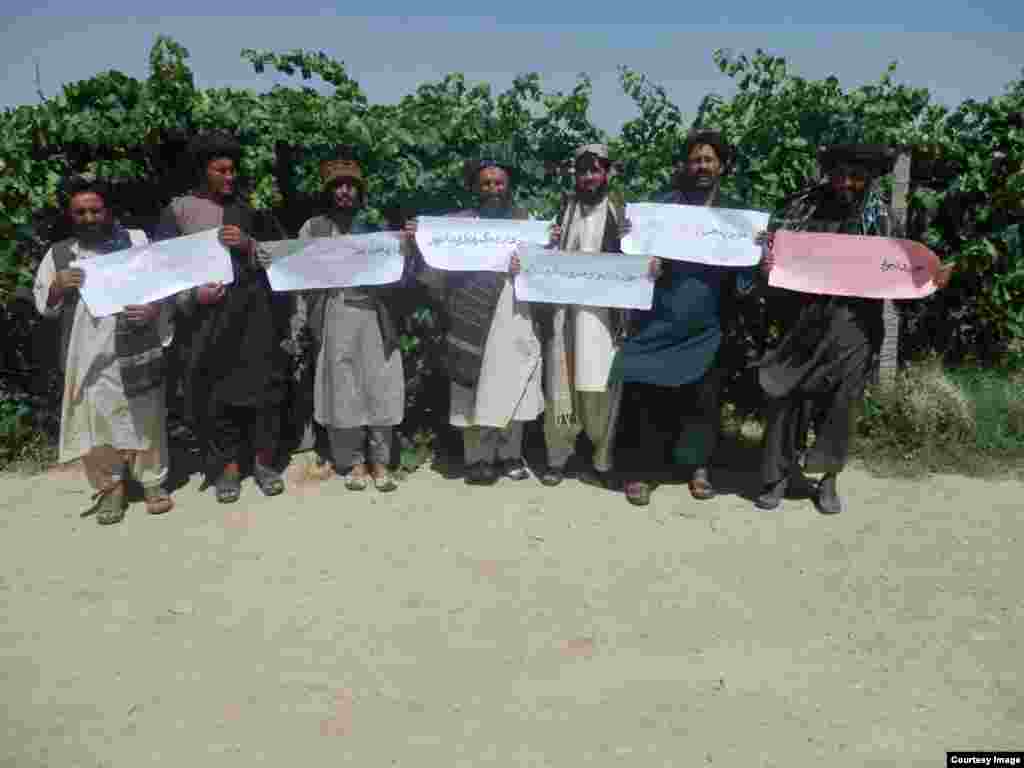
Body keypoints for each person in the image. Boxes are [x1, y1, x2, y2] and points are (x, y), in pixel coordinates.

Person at [756, 143, 953, 514]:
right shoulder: (803, 210)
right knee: (786, 395)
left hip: (855, 325)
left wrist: (930, 280)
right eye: (840, 175)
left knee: (841, 403)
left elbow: (902, 274)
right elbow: (776, 255)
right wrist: (768, 265)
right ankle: (778, 475)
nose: (846, 183)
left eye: (856, 176)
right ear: (829, 174)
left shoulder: (883, 221)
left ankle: (828, 479)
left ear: (870, 179)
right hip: (803, 320)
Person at [610, 130, 758, 506]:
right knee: (644, 391)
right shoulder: (663, 209)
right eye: (695, 160)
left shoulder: (735, 216)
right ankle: (640, 469)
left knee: (703, 398)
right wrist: (634, 245)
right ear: (685, 166)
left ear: (722, 166)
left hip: (707, 321)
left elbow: (745, 278)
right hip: (658, 317)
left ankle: (697, 467)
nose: (702, 166)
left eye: (709, 159)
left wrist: (755, 249)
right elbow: (633, 258)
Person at [155, 131, 291, 504]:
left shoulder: (250, 208)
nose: (230, 177)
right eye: (221, 170)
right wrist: (192, 297)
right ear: (203, 171)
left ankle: (264, 463)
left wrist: (248, 244)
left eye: (233, 170)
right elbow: (161, 268)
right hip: (206, 316)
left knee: (263, 387)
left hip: (254, 311)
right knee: (214, 392)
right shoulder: (179, 211)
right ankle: (227, 467)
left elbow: (279, 256)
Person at [33, 174, 174, 524]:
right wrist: (57, 286)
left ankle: (152, 482)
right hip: (87, 355)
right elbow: (44, 306)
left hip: (136, 344)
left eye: (95, 211)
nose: (88, 218)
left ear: (108, 211)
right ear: (70, 215)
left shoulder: (136, 241)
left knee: (146, 416)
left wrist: (153, 310)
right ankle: (111, 487)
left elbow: (163, 284)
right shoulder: (60, 253)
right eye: (80, 213)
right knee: (96, 422)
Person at [407, 146, 544, 485]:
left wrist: (541, 250)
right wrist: (418, 238)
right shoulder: (460, 224)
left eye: (499, 183)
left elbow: (543, 268)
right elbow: (435, 261)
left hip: (513, 311)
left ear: (508, 186)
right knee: (474, 390)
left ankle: (510, 454)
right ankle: (478, 458)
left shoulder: (525, 221)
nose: (493, 189)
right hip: (469, 314)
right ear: (475, 187)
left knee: (514, 381)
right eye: (486, 183)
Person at [292, 157, 412, 492]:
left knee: (380, 384)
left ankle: (380, 461)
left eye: (350, 186)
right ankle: (353, 461)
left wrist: (409, 244)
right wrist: (301, 323)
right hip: (336, 311)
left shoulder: (376, 225)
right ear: (328, 192)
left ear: (360, 191)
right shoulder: (314, 228)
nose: (344, 192)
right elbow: (298, 273)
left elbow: (400, 270)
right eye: (337, 186)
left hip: (375, 314)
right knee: (342, 387)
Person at [535, 143, 629, 487]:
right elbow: (547, 254)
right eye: (583, 171)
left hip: (603, 317)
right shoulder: (565, 209)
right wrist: (548, 241)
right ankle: (558, 457)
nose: (589, 177)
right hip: (565, 314)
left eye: (595, 170)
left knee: (598, 388)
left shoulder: (620, 212)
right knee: (560, 387)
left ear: (607, 173)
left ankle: (601, 459)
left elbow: (635, 257)